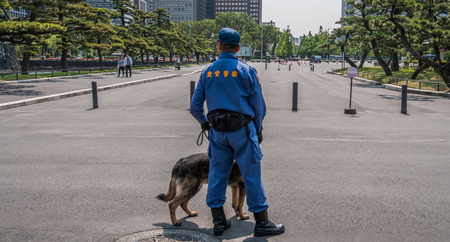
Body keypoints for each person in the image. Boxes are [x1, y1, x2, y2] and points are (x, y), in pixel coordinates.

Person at [190, 28, 285, 237]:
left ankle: (219, 222)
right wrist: (258, 129)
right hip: (242, 130)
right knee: (251, 176)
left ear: (219, 46)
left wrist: (205, 124)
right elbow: (259, 107)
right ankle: (262, 223)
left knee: (217, 176)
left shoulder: (208, 71)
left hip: (217, 132)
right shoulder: (247, 70)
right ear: (239, 48)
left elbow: (195, 106)